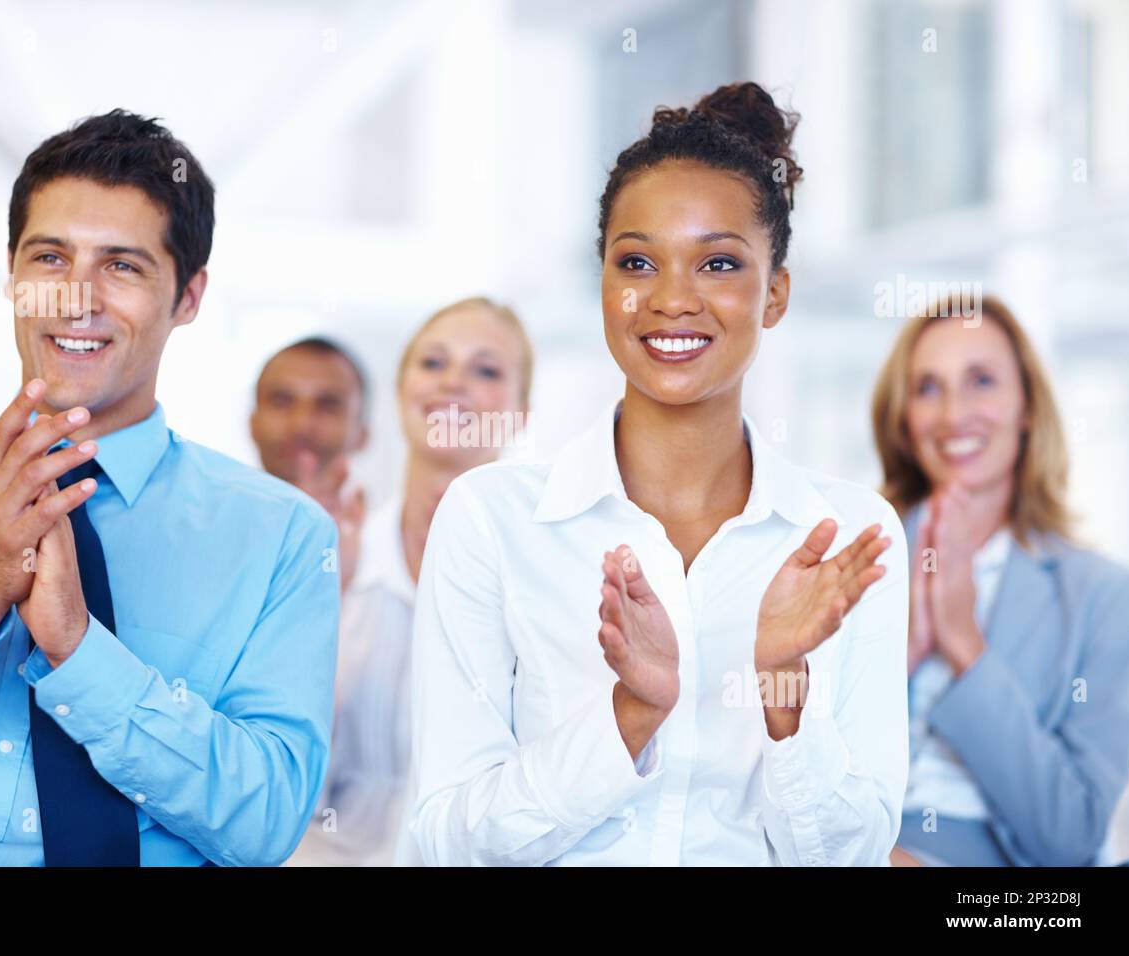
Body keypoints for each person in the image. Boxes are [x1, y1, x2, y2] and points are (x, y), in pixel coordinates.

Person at [406, 83, 908, 866]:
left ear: (774, 293)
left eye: (718, 263)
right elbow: (442, 842)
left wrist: (781, 688)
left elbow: (853, 852)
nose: (673, 300)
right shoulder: (489, 519)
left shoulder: (846, 539)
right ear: (604, 283)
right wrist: (630, 715)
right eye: (637, 260)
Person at [0, 110, 339, 867]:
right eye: (49, 258)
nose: (76, 298)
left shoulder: (285, 538)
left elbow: (263, 822)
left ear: (189, 298)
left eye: (123, 266)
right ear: (11, 275)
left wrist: (78, 650)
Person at [873, 294, 1129, 867]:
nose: (952, 414)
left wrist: (965, 642)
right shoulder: (856, 555)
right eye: (928, 388)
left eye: (981, 380)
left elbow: (1073, 835)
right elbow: (787, 765)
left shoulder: (1102, 595)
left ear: (1027, 408)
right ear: (904, 419)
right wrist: (902, 653)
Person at [289, 297, 532, 866]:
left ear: (520, 414)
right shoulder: (336, 558)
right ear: (401, 394)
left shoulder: (540, 581)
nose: (453, 382)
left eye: (486, 369)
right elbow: (280, 770)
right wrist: (318, 606)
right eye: (433, 363)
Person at [251, 336, 370, 591]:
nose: (302, 425)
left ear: (362, 435)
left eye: (328, 406)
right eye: (281, 401)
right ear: (252, 424)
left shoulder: (399, 555)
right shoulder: (202, 539)